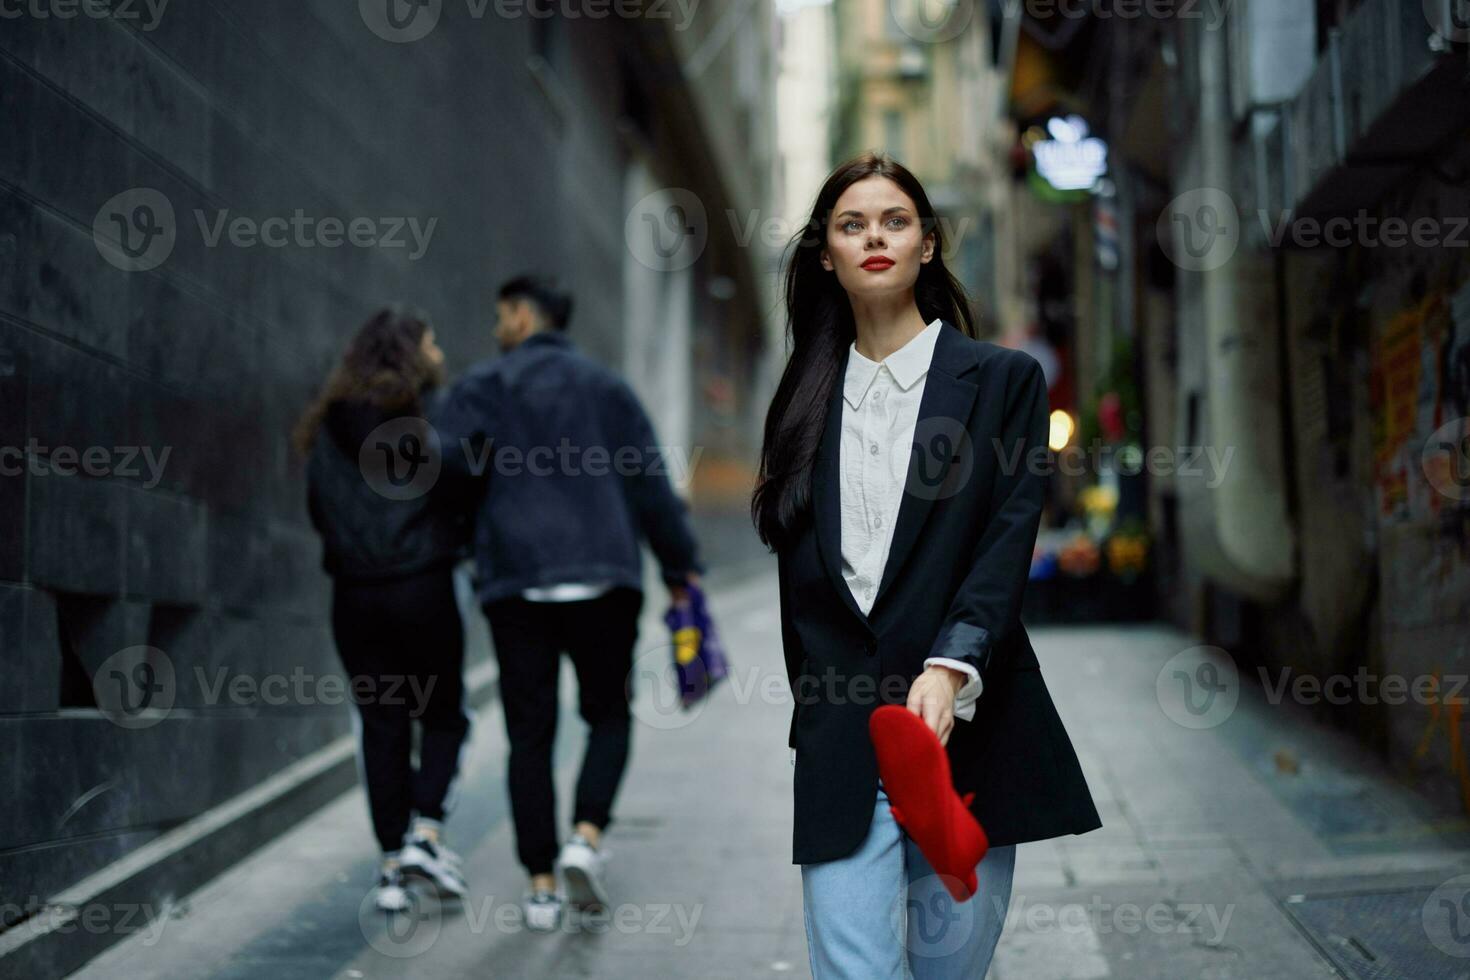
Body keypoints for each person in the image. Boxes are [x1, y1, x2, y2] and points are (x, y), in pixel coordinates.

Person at [751, 154, 1101, 978]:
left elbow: (1006, 538)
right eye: (851, 225)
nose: (875, 235)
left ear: (928, 246)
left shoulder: (1003, 382)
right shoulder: (801, 402)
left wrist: (952, 667)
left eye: (895, 221)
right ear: (825, 256)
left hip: (968, 738)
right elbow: (800, 589)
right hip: (844, 744)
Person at [438, 275, 704, 932]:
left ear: (524, 316)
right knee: (609, 714)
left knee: (529, 733)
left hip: (517, 581)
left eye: (503, 316)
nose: (499, 328)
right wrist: (679, 567)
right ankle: (586, 835)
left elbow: (445, 469)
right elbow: (648, 480)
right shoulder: (606, 388)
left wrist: (471, 539)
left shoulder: (483, 386)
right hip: (603, 577)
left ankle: (541, 884)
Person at [296, 306, 473, 912]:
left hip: (354, 595)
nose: (439, 351)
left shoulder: (327, 428)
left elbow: (318, 510)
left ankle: (392, 866)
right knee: (444, 715)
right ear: (410, 354)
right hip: (421, 588)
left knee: (381, 722)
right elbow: (464, 480)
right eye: (431, 342)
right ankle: (426, 832)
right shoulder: (420, 421)